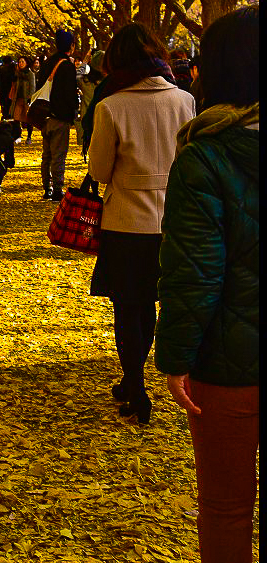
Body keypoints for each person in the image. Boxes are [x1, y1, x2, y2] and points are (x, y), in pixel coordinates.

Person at [155, 5, 259, 563]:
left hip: (230, 359)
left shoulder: (207, 156)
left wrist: (174, 359)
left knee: (225, 501)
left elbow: (196, 274)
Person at [87, 21, 195, 426]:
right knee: (157, 301)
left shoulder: (110, 107)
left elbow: (99, 170)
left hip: (127, 220)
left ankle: (134, 382)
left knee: (129, 306)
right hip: (174, 219)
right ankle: (152, 375)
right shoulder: (184, 101)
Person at [40, 29, 79, 201]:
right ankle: (57, 189)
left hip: (44, 115)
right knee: (58, 155)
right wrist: (73, 113)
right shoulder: (67, 66)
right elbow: (69, 93)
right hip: (60, 116)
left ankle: (46, 187)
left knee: (46, 155)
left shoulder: (47, 63)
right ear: (70, 45)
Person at [75, 50, 105, 154]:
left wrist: (85, 61)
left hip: (87, 118)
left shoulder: (84, 82)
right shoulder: (108, 83)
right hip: (103, 118)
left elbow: (77, 74)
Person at [9, 55, 35, 137]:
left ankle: (29, 136)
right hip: (18, 99)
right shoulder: (17, 74)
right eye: (19, 62)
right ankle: (17, 136)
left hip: (27, 99)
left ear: (26, 63)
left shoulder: (30, 74)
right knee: (16, 119)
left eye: (22, 62)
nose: (21, 63)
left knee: (28, 119)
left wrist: (30, 97)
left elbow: (32, 86)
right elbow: (14, 85)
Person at [0, 55, 16, 121]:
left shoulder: (1, 68)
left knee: (4, 106)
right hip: (11, 89)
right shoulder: (14, 68)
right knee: (10, 105)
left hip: (3, 90)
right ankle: (10, 116)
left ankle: (5, 117)